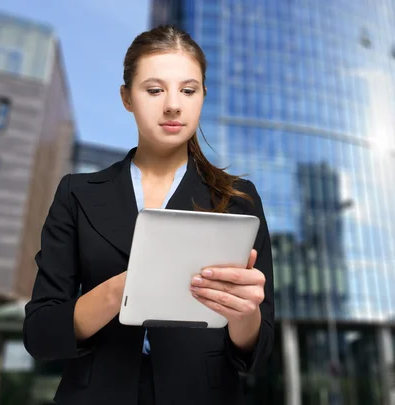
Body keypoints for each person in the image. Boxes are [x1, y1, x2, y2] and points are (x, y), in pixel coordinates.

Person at [22, 25, 274, 405]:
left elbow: (257, 351)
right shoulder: (77, 194)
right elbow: (40, 333)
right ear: (126, 97)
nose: (173, 104)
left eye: (188, 90)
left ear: (203, 96)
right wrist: (120, 291)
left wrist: (243, 314)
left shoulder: (238, 200)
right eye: (154, 90)